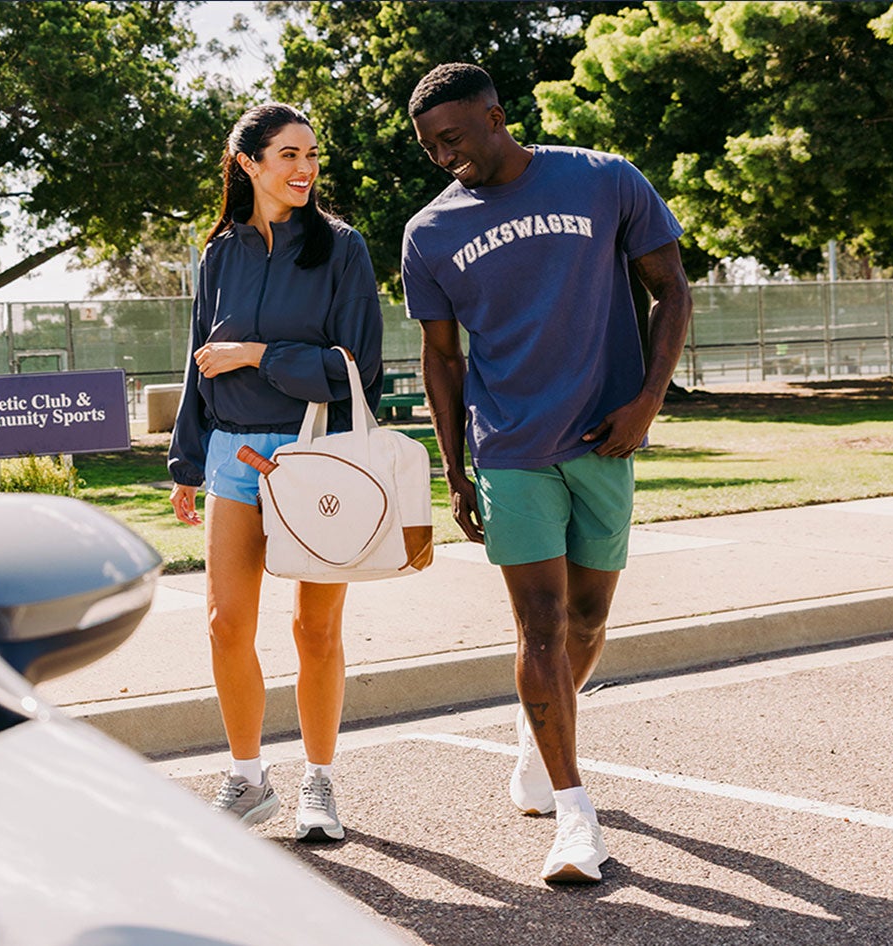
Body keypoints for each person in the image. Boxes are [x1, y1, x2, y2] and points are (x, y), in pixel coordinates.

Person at [400, 63, 692, 883]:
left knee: (589, 620)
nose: (440, 156)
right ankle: (574, 817)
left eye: (451, 137)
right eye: (428, 146)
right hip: (511, 449)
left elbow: (671, 289)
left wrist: (646, 404)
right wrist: (455, 470)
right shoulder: (429, 231)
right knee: (540, 625)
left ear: (496, 117)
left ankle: (537, 732)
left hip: (606, 437)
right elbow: (440, 357)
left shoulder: (605, 179)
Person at [168, 103, 384, 843]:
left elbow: (357, 370)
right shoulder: (219, 253)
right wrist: (187, 463)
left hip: (316, 454)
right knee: (227, 624)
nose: (303, 169)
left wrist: (258, 353)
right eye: (288, 155)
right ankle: (249, 776)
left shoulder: (344, 250)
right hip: (232, 456)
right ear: (248, 164)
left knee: (315, 629)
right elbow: (199, 363)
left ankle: (320, 782)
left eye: (312, 156)